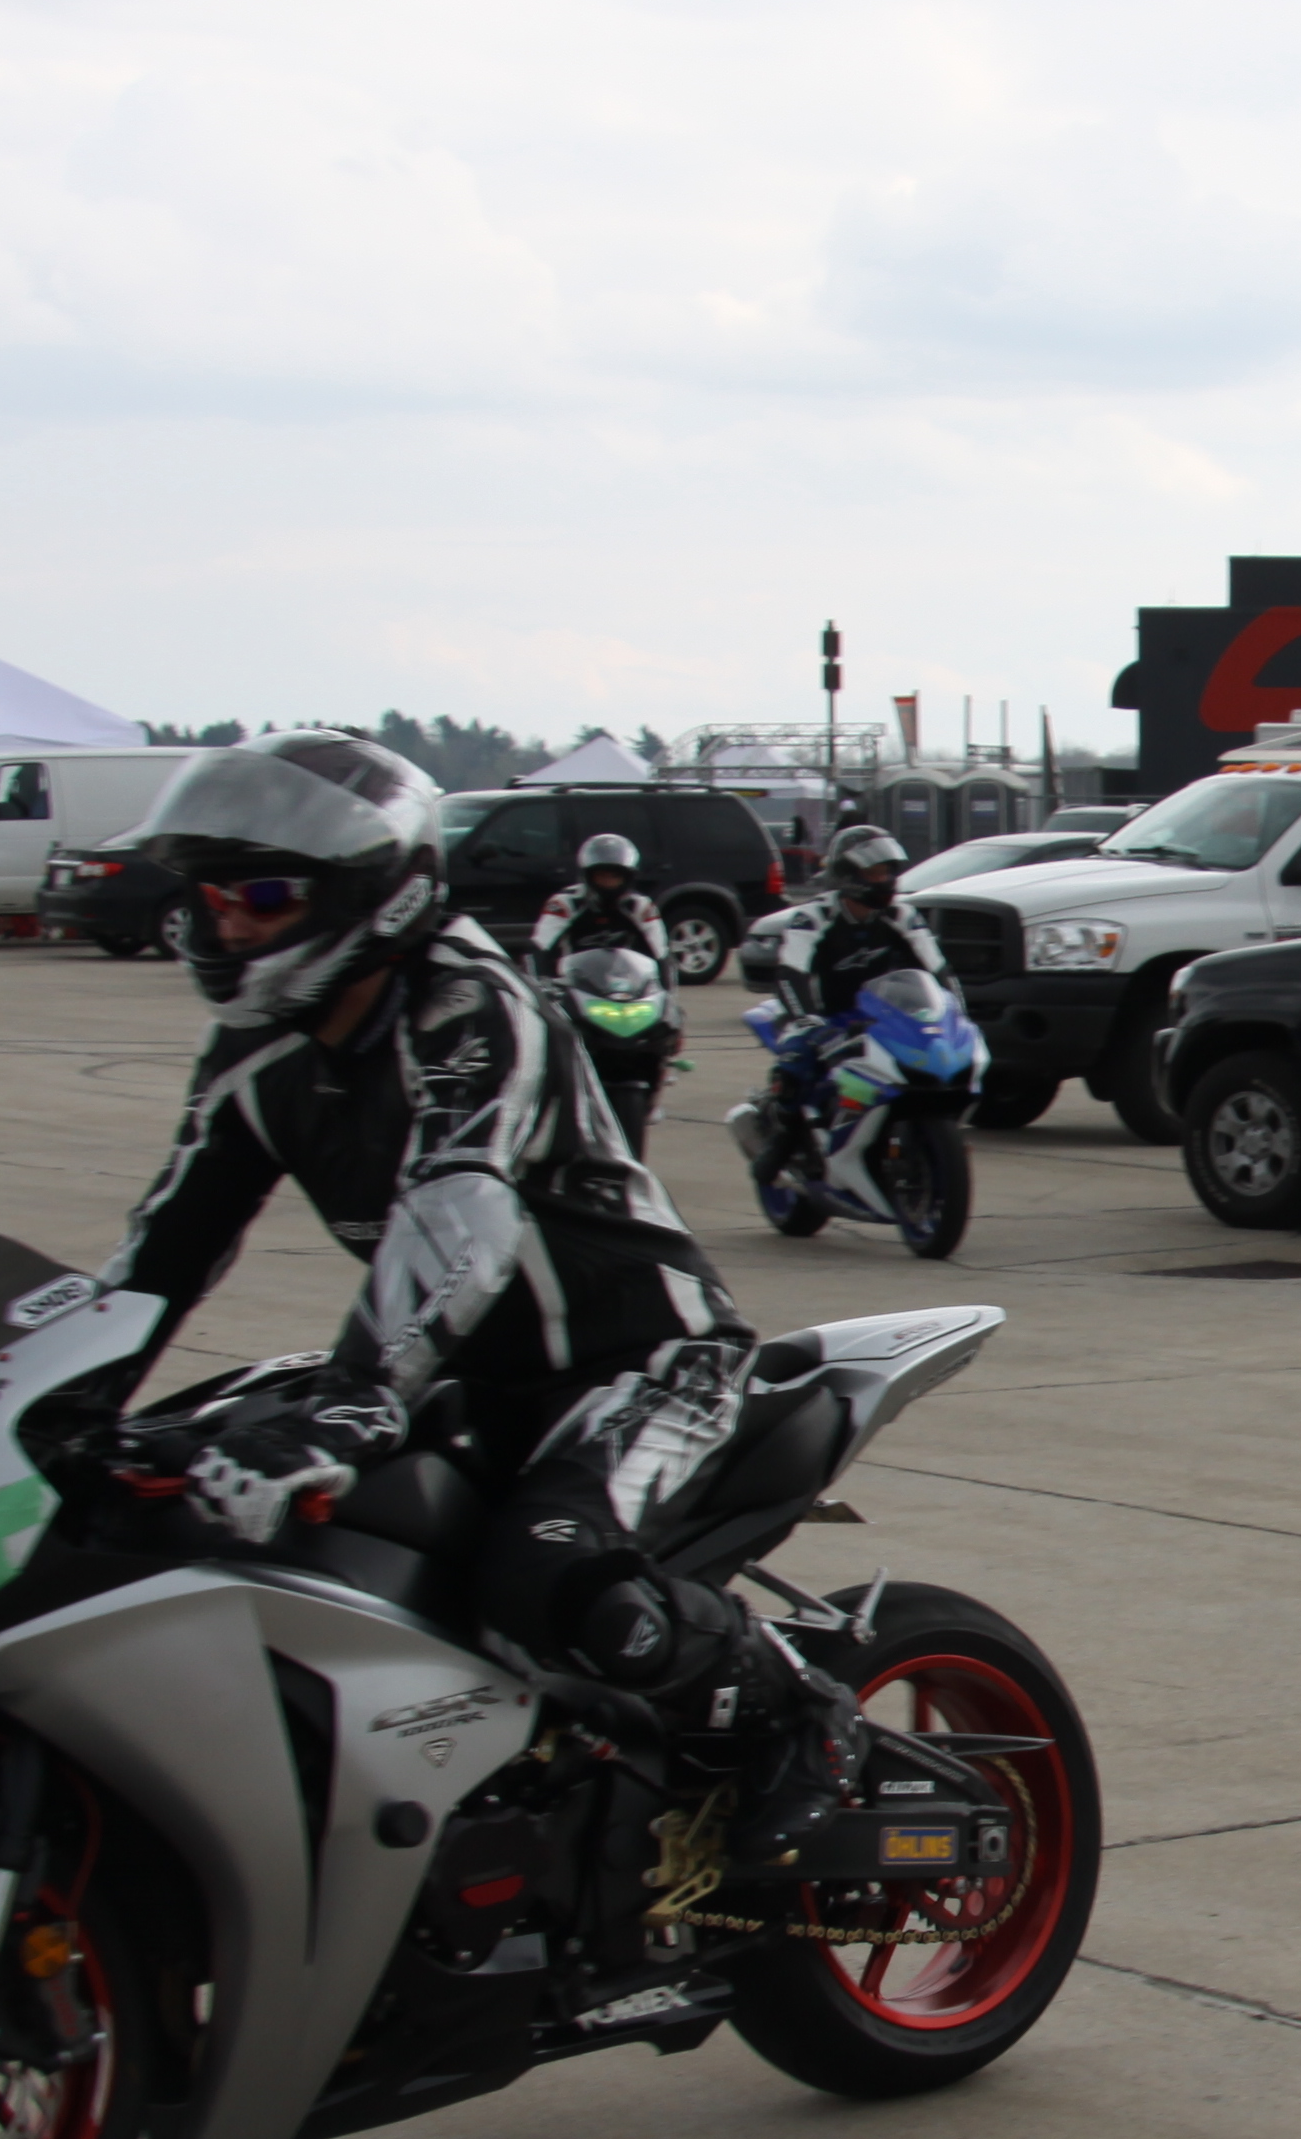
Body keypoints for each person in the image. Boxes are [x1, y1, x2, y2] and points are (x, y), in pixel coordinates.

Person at [104, 729, 835, 1808]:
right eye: (211, 897)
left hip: (640, 1358)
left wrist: (350, 1403)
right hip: (465, 1372)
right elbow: (163, 1249)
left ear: (371, 891)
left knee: (548, 1575)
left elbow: (463, 1214)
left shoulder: (471, 1004)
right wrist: (54, 1403)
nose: (228, 925)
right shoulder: (258, 1051)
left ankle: (800, 1713)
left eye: (261, 894)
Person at [744, 823, 944, 1038]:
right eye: (873, 873)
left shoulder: (902, 915)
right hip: (826, 1022)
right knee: (797, 1049)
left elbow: (938, 970)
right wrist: (809, 1023)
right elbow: (790, 974)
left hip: (882, 1021)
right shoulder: (814, 916)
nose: (883, 880)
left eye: (886, 872)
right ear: (847, 874)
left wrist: (956, 1019)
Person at [531, 830, 659, 973]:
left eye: (615, 876)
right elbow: (541, 946)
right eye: (602, 875)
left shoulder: (639, 905)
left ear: (628, 877)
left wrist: (663, 986)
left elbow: (659, 953)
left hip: (625, 980)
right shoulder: (565, 902)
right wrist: (542, 983)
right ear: (588, 876)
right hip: (574, 979)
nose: (608, 882)